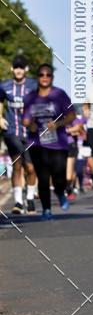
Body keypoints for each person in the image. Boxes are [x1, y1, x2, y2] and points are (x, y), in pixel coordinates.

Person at [23, 64, 76, 219]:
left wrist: (58, 124)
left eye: (48, 75)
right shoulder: (30, 97)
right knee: (43, 177)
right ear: (37, 77)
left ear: (52, 77)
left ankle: (60, 193)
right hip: (37, 143)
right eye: (41, 74)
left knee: (59, 176)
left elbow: (71, 115)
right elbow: (25, 119)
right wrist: (30, 125)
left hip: (58, 143)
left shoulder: (60, 94)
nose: (44, 77)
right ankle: (46, 209)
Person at [0, 56, 38, 214]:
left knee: (30, 167)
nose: (19, 70)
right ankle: (18, 202)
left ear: (26, 69)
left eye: (21, 67)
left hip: (30, 132)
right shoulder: (5, 86)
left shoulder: (33, 85)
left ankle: (29, 198)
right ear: (12, 69)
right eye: (16, 67)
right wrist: (0, 117)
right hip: (11, 131)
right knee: (17, 165)